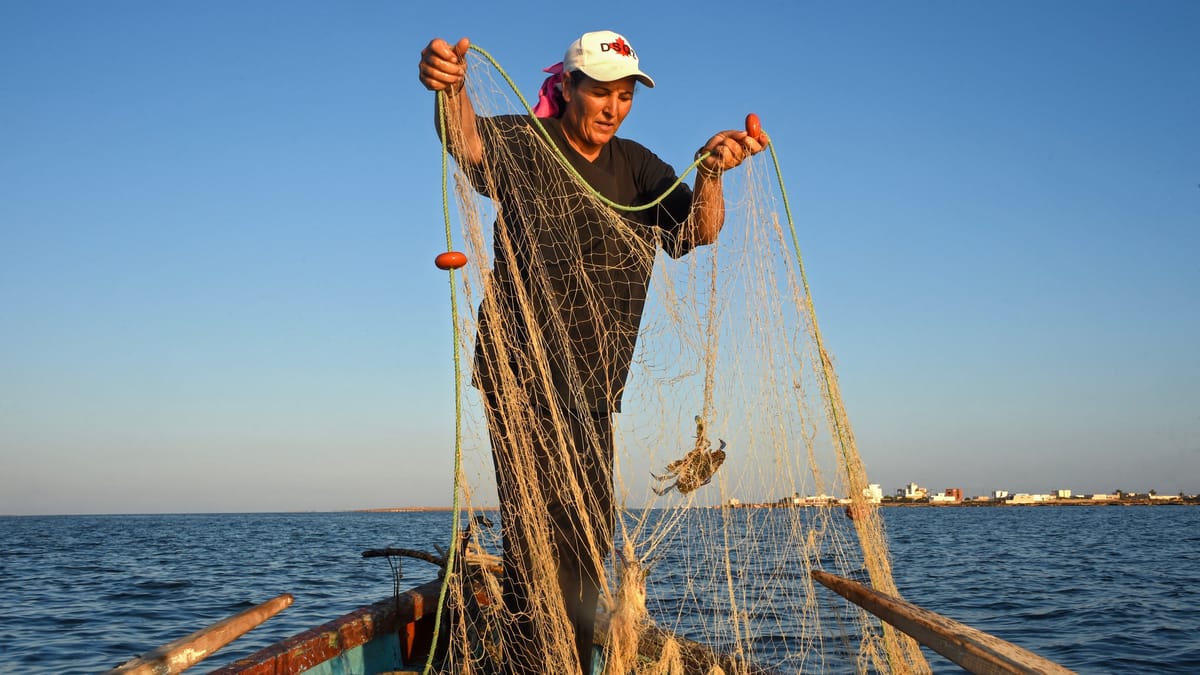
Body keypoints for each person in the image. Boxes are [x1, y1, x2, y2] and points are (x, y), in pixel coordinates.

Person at [418, 30, 765, 675]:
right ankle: (538, 662)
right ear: (569, 86)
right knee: (536, 543)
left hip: (594, 391)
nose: (613, 108)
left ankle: (568, 661)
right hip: (520, 378)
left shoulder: (638, 167)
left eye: (625, 95)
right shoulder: (529, 143)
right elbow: (465, 140)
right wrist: (450, 85)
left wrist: (712, 171)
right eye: (601, 92)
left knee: (586, 538)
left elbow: (698, 229)